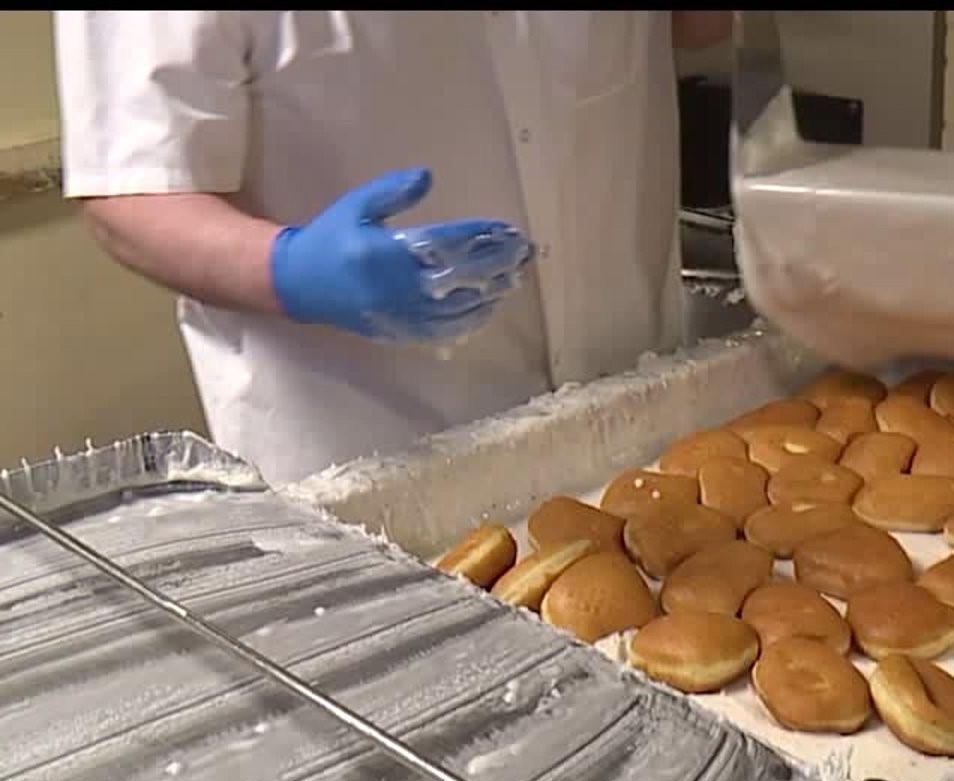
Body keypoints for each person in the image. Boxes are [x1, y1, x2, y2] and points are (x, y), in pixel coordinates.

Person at [53, 11, 734, 485]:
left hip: (634, 405)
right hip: (376, 455)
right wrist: (291, 270)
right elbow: (133, 194)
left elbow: (696, 26)